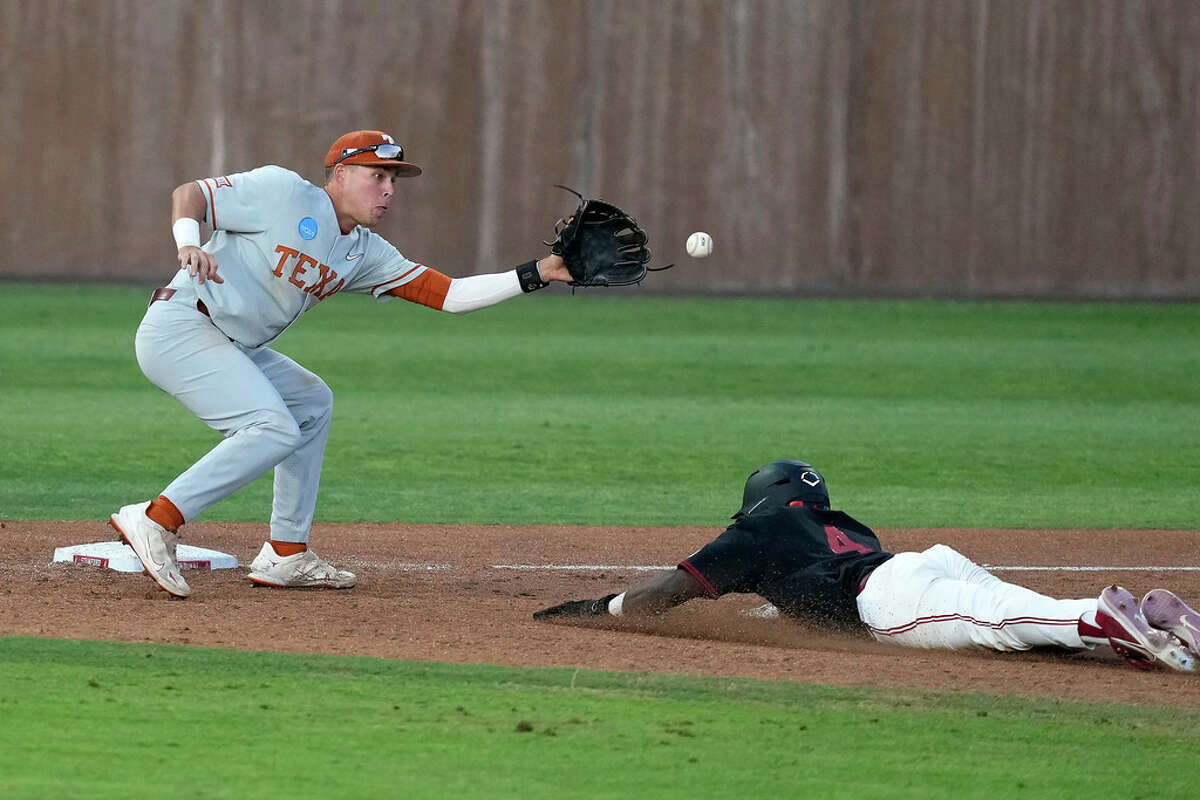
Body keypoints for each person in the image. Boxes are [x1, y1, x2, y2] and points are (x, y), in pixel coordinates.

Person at [110, 130, 574, 598]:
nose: (389, 189)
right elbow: (190, 195)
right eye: (378, 175)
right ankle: (155, 521)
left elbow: (451, 296)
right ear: (341, 174)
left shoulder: (366, 252)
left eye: (394, 179)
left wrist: (541, 272)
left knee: (311, 403)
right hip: (182, 326)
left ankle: (285, 554)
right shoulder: (282, 192)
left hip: (232, 345)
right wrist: (189, 242)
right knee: (273, 428)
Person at [534, 459, 1200, 673]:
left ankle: (1103, 613)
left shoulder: (757, 529)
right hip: (922, 563)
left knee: (995, 623)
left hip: (889, 596)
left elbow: (674, 587)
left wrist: (605, 609)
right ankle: (1139, 628)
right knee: (1006, 618)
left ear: (759, 503)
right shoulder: (838, 525)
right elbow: (792, 596)